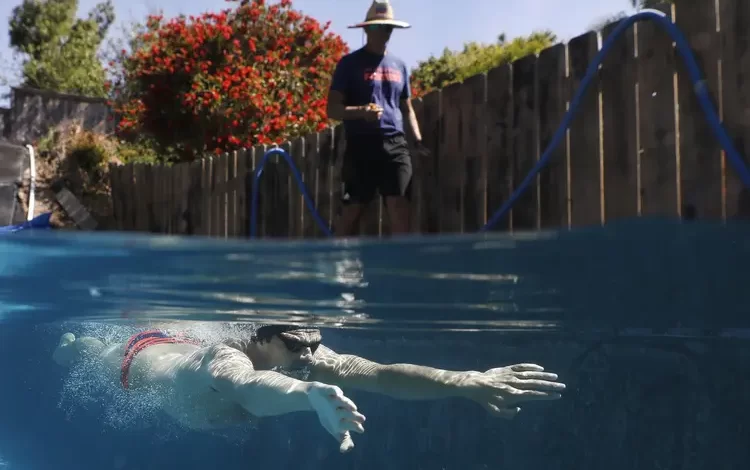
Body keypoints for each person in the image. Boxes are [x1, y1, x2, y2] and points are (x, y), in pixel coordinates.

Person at [52, 324, 566, 453]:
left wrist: (466, 384)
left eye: (315, 344)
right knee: (89, 354)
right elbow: (250, 386)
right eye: (298, 346)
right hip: (138, 356)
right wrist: (306, 397)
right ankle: (73, 346)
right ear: (263, 337)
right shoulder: (223, 358)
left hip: (199, 395)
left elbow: (383, 374)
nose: (310, 356)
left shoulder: (307, 356)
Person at [326, 0, 428, 236]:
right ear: (366, 29)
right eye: (379, 27)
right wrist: (361, 111)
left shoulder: (400, 66)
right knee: (354, 207)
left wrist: (418, 140)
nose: (384, 32)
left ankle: (399, 266)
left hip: (396, 144)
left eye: (388, 28)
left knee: (399, 203)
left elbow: (407, 108)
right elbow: (332, 110)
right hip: (361, 143)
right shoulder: (348, 64)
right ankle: (333, 261)